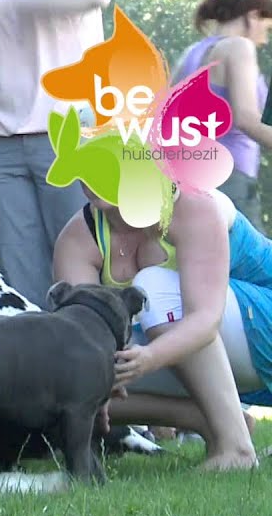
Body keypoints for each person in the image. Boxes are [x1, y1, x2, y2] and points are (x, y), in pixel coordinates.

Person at [52, 186, 272, 470]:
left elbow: (206, 320)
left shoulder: (196, 204)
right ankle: (202, 418)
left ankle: (236, 449)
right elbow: (83, 343)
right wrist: (100, 387)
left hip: (256, 326)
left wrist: (151, 357)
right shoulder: (78, 238)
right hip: (221, 352)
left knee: (154, 286)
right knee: (74, 377)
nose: (94, 178)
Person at [0, 0, 113, 307]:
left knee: (83, 270)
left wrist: (16, 2)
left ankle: (98, 357)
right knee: (18, 281)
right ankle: (38, 357)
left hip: (69, 136)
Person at [172, 0, 272, 235]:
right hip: (231, 183)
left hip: (187, 181)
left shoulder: (192, 53)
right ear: (252, 16)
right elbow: (247, 119)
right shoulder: (238, 47)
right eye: (267, 28)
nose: (264, 40)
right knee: (261, 272)